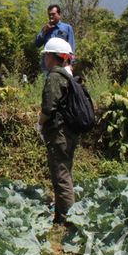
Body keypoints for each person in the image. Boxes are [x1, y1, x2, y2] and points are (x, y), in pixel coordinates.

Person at [38, 38, 79, 223]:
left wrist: (40, 122)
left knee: (61, 175)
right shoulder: (68, 75)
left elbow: (48, 108)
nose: (45, 59)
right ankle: (62, 215)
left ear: (53, 57)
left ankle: (67, 219)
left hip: (58, 133)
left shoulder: (55, 76)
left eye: (46, 55)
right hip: (69, 133)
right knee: (65, 172)